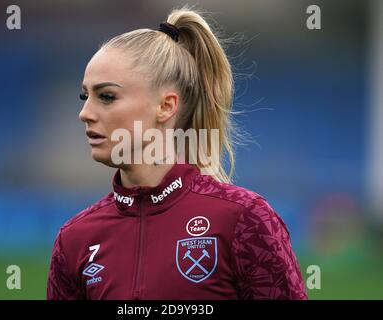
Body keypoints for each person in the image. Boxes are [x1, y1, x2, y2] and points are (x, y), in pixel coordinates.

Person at [46, 6, 308, 300]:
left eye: (106, 96)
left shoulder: (244, 218)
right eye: (85, 96)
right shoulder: (74, 239)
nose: (84, 113)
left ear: (166, 106)